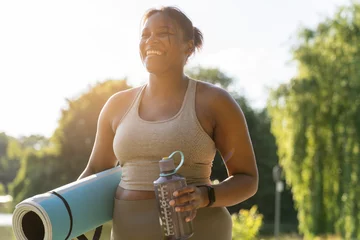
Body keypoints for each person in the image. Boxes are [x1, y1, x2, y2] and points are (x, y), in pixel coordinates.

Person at [78, 6, 258, 240]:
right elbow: (94, 170)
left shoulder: (215, 101)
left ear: (188, 46)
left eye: (163, 33)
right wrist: (59, 210)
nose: (151, 39)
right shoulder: (116, 105)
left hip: (200, 232)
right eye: (145, 34)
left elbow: (247, 179)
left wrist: (205, 196)